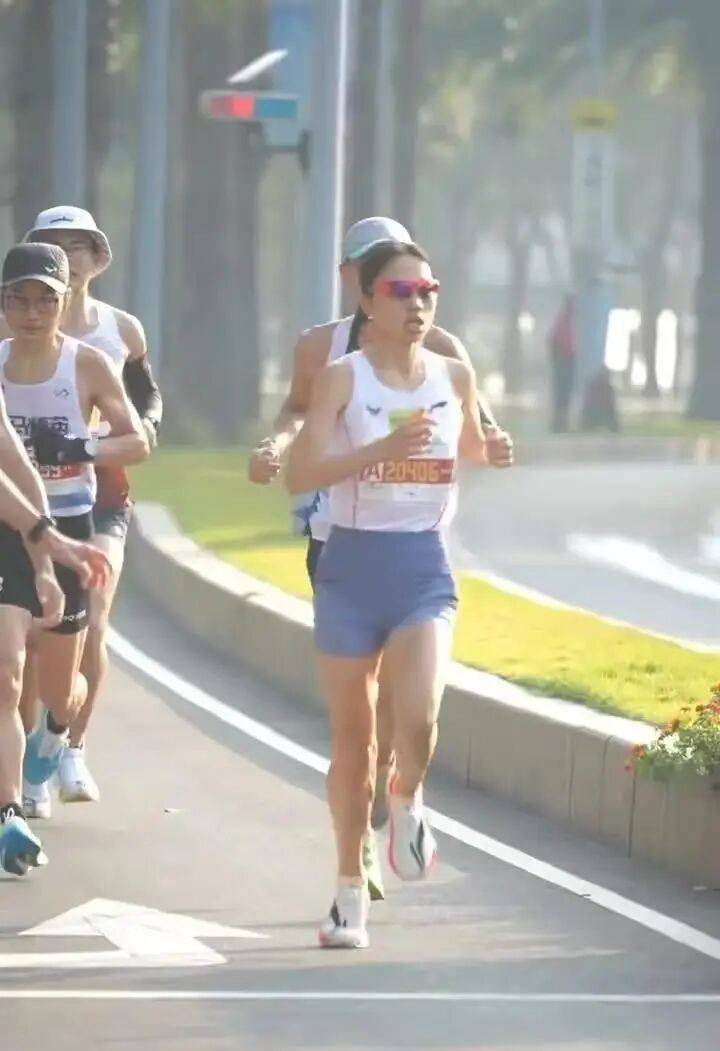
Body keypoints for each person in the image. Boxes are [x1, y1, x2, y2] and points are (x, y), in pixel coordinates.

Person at [248, 217, 512, 898]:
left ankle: (402, 795)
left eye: (427, 289)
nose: (416, 301)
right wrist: (282, 445)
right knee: (358, 728)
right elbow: (298, 430)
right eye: (397, 286)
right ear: (359, 287)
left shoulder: (450, 361)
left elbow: (475, 434)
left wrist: (492, 446)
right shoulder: (327, 356)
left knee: (412, 708)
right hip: (342, 550)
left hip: (421, 560)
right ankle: (354, 858)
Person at [0, 242, 148, 832]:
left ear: (64, 302)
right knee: (9, 669)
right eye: (19, 300)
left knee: (62, 688)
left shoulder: (87, 364)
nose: (32, 313)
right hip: (9, 526)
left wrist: (78, 447)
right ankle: (10, 807)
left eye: (45, 301)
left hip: (70, 528)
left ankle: (57, 731)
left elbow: (136, 441)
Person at [547, 294, 577, 433]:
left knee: (564, 394)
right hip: (564, 361)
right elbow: (555, 342)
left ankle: (561, 422)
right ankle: (559, 423)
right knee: (562, 394)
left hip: (567, 361)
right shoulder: (564, 321)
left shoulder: (568, 321)